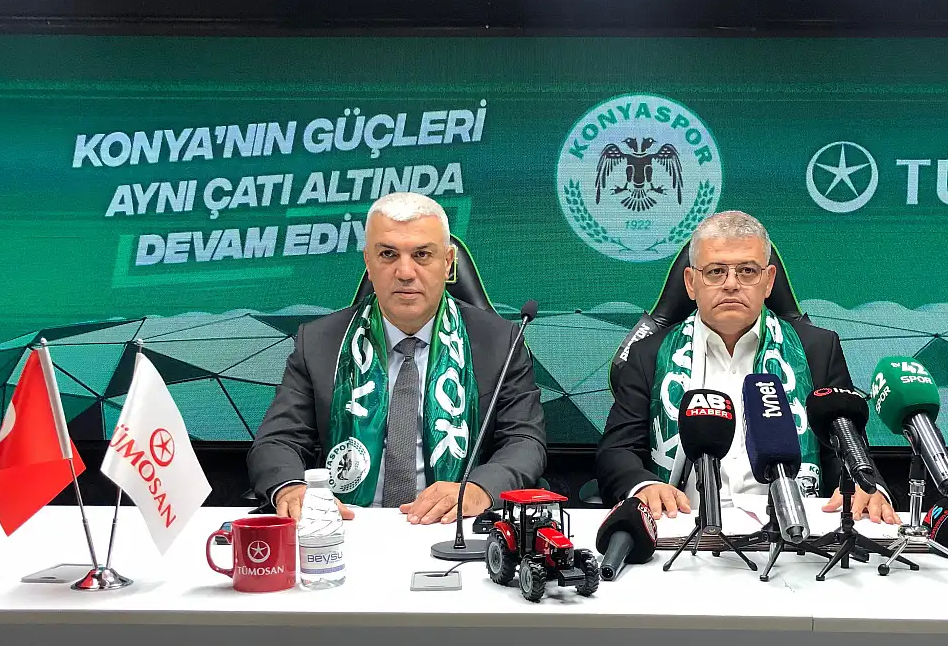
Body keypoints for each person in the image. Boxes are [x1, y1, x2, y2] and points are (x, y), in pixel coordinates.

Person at [248, 192, 546, 524]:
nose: (405, 272)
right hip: (345, 525)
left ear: (448, 262)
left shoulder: (500, 343)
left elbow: (524, 441)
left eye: (422, 255)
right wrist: (290, 488)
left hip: (452, 526)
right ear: (368, 262)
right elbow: (278, 440)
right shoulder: (319, 342)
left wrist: (479, 489)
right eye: (388, 254)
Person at [595, 210, 897, 524]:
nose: (731, 284)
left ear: (768, 281)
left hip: (795, 533)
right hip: (683, 527)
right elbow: (617, 452)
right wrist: (644, 486)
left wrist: (866, 488)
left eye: (747, 271)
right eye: (715, 272)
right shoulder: (649, 354)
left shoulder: (817, 349)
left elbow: (848, 448)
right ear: (691, 283)